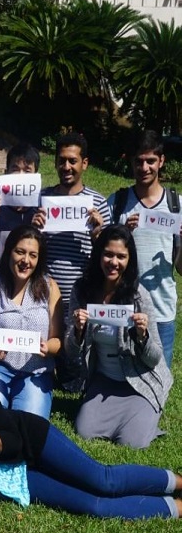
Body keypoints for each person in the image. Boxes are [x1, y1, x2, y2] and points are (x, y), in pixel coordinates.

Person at [0, 305, 182, 520]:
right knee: (95, 506)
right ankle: (176, 508)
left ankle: (178, 481)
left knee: (103, 480)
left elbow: (11, 440)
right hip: (14, 478)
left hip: (31, 440)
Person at [66, 224, 171, 449]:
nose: (114, 262)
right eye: (108, 254)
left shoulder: (138, 294)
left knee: (133, 443)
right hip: (103, 381)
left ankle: (149, 409)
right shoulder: (82, 290)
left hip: (138, 381)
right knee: (84, 431)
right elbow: (71, 351)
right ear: (98, 254)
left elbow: (154, 358)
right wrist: (77, 330)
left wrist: (142, 336)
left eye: (121, 256)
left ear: (129, 260)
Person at [32, 132, 111, 391]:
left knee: (76, 358)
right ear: (55, 162)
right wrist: (35, 229)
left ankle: (75, 376)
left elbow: (109, 258)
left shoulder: (97, 203)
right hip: (45, 292)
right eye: (62, 160)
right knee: (46, 344)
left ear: (84, 163)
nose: (66, 167)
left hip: (82, 292)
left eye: (73, 161)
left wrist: (98, 233)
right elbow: (29, 248)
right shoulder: (42, 200)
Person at [0, 226, 62, 419]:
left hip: (36, 373)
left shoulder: (50, 287)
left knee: (29, 424)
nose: (25, 261)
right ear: (9, 252)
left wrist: (48, 347)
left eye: (32, 255)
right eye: (19, 252)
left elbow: (57, 340)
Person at [108, 131, 182, 368]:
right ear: (131, 162)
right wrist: (122, 232)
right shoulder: (116, 202)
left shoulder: (177, 205)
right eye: (138, 161)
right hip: (123, 309)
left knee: (160, 380)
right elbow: (104, 257)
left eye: (150, 160)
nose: (144, 167)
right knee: (121, 377)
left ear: (161, 161)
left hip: (162, 311)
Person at [0, 142, 41, 277]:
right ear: (6, 173)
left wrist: (36, 230)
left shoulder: (40, 212)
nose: (20, 176)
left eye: (27, 170)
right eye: (15, 169)